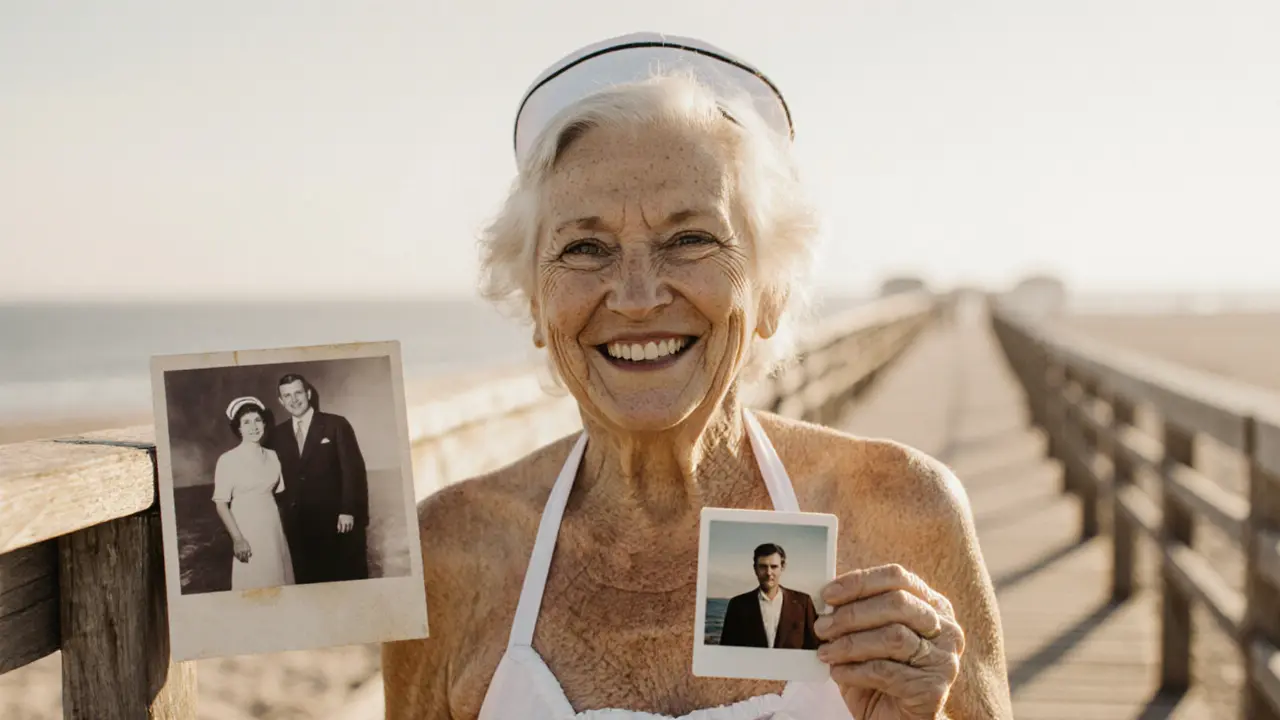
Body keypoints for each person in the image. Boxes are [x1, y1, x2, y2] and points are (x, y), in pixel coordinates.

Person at [383, 32, 1013, 720]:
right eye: (585, 248)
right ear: (535, 302)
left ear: (771, 290)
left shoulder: (902, 513)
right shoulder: (453, 552)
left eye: (690, 240)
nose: (637, 296)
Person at [273, 372, 370, 584]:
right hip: (298, 528)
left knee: (344, 581)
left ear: (308, 394)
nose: (294, 400)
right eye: (287, 396)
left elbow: (353, 470)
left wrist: (348, 511)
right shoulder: (277, 435)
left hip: (336, 523)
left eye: (298, 393)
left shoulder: (336, 425)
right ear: (281, 401)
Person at [211, 397, 295, 591]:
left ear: (264, 424)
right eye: (246, 422)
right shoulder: (228, 460)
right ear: (238, 428)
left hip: (273, 528)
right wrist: (238, 539)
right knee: (254, 583)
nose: (254, 427)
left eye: (257, 420)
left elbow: (278, 493)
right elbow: (221, 504)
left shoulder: (273, 456)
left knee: (278, 577)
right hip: (247, 529)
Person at [718, 543, 820, 650]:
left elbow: (814, 647)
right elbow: (726, 650)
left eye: (774, 567)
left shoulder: (803, 603)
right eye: (763, 567)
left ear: (782, 567)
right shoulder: (737, 605)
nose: (768, 572)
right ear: (755, 569)